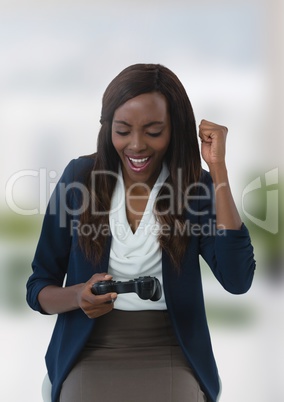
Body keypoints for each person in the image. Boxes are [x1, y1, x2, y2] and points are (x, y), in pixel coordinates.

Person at [26, 63, 256, 402]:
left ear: (174, 129)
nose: (136, 146)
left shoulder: (195, 187)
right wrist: (77, 296)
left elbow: (238, 281)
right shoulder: (80, 178)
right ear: (108, 129)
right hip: (89, 347)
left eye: (153, 131)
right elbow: (38, 288)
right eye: (123, 130)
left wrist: (217, 168)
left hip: (170, 347)